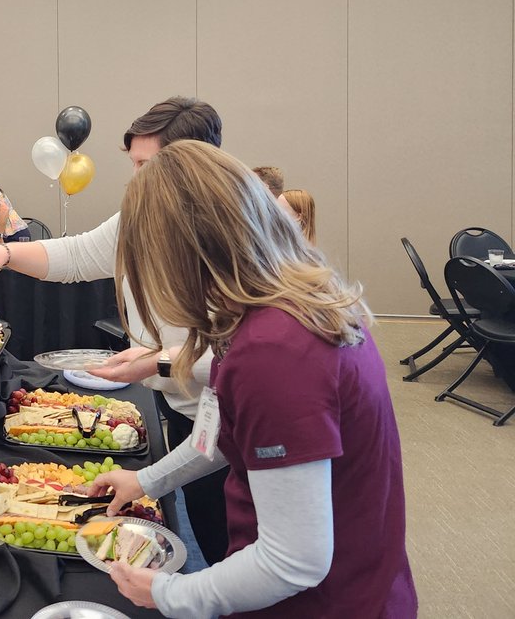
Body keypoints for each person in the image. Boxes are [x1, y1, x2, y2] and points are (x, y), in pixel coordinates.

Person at [88, 141, 415, 619]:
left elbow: (293, 561)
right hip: (359, 581)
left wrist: (169, 594)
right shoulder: (283, 305)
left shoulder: (276, 350)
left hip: (324, 603)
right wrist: (146, 480)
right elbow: (221, 431)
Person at [0, 96, 231, 563]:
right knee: (206, 525)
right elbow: (79, 255)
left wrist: (155, 361)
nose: (137, 177)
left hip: (231, 421)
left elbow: (241, 364)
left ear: (191, 164)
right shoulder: (141, 217)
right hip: (187, 409)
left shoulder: (225, 239)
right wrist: (8, 255)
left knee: (230, 541)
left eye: (147, 165)